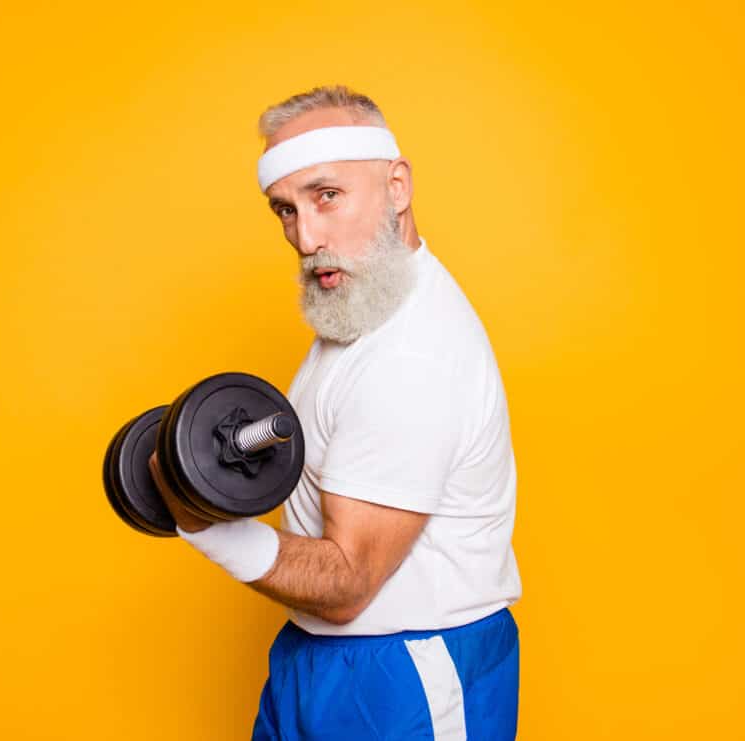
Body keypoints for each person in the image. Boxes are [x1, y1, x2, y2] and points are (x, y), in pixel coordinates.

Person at [148, 85, 523, 740]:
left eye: (327, 196)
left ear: (397, 186)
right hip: (315, 654)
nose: (306, 236)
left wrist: (200, 522)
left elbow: (349, 581)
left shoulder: (415, 353)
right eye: (285, 210)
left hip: (403, 672)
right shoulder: (362, 306)